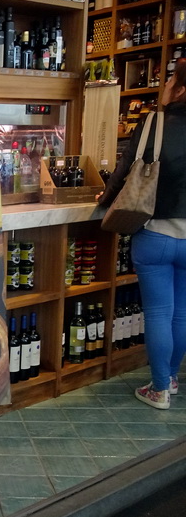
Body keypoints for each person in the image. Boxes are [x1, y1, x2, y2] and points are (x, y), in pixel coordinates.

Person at [96, 58, 186, 410]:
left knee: (160, 313)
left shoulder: (154, 123)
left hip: (155, 233)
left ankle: (159, 388)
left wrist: (104, 200)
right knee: (181, 313)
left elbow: (125, 171)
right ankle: (173, 378)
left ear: (178, 86)